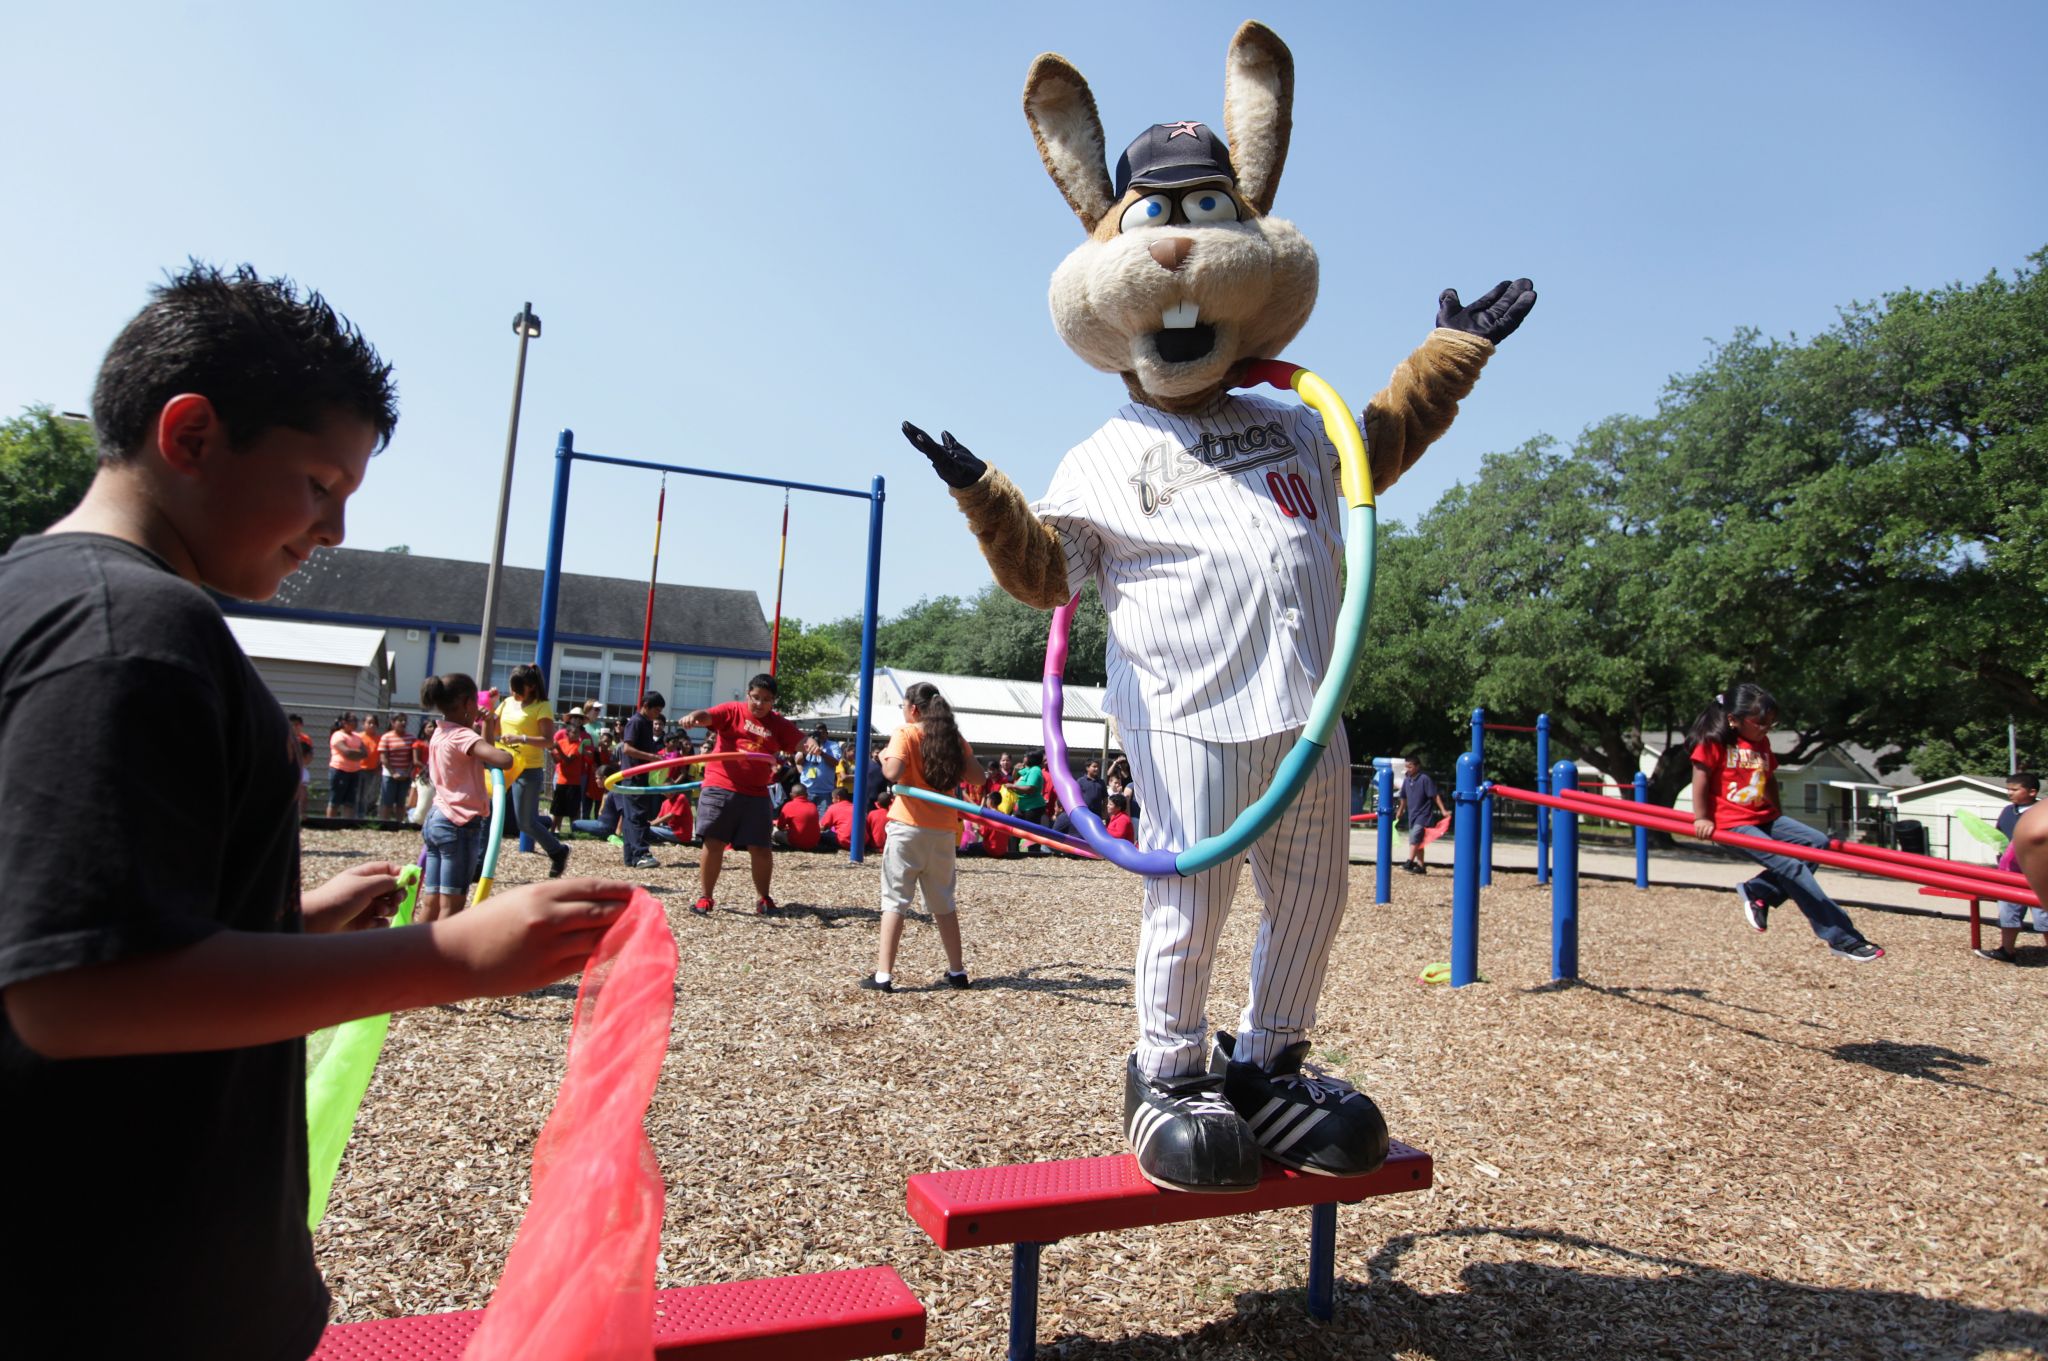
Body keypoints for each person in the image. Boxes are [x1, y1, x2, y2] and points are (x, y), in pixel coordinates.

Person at [0, 262, 635, 1359]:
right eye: (317, 482)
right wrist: (448, 954)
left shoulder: (33, 595)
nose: (335, 528)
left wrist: (280, 926)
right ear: (190, 435)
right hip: (117, 1291)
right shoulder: (137, 633)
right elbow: (72, 991)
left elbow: (60, 922)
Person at [1689, 684, 1882, 962]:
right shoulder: (1714, 742)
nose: (1766, 728)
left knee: (1817, 843)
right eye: (1760, 723)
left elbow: (1768, 779)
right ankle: (1842, 938)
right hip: (1732, 823)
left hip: (1763, 817)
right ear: (1734, 719)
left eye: (1771, 723)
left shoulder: (1761, 744)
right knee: (1791, 866)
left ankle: (1760, 891)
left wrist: (1777, 813)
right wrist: (1702, 817)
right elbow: (1701, 778)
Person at [862, 681, 980, 992]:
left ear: (913, 709)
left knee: (895, 900)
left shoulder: (906, 732)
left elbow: (892, 773)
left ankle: (883, 976)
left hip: (908, 827)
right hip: (942, 830)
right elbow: (978, 777)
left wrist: (886, 754)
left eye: (904, 707)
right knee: (943, 902)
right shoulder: (952, 737)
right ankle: (957, 972)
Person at [677, 674, 803, 914]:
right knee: (714, 841)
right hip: (720, 785)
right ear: (748, 694)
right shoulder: (732, 710)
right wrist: (695, 718)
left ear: (773, 701)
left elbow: (800, 741)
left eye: (766, 700)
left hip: (756, 793)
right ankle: (705, 897)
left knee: (761, 847)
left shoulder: (778, 724)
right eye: (756, 698)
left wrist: (811, 744)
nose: (759, 704)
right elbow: (708, 716)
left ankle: (763, 898)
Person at [417, 674, 516, 923]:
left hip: (437, 819)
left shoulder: (440, 733)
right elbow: (502, 759)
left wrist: (487, 724)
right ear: (467, 703)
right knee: (452, 906)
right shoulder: (463, 737)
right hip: (458, 824)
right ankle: (444, 958)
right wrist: (505, 752)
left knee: (432, 902)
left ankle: (411, 954)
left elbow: (481, 749)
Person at [495, 664, 572, 879]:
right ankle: (479, 862)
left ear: (530, 687)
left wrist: (522, 738)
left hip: (528, 769)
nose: (513, 693)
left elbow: (549, 741)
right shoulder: (507, 703)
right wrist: (487, 709)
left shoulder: (542, 707)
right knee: (487, 813)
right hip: (504, 765)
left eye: (517, 688)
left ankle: (557, 851)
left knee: (525, 822)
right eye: (512, 688)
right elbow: (493, 729)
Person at [1981, 771, 2044, 963]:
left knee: (2043, 914)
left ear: (2032, 792)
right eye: (2008, 789)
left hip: (2039, 872)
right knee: (2009, 911)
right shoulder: (2008, 811)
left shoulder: (2041, 813)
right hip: (2010, 872)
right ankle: (2007, 950)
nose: (2010, 793)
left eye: (2015, 789)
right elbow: (2000, 835)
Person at [614, 692, 668, 870]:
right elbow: (627, 749)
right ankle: (641, 853)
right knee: (636, 815)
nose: (657, 714)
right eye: (656, 710)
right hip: (633, 776)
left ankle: (631, 856)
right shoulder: (636, 722)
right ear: (645, 705)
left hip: (641, 775)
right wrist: (651, 757)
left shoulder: (645, 723)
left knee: (634, 816)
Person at [1394, 755, 1447, 874]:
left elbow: (1434, 795)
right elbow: (1403, 797)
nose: (1408, 769)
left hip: (1423, 814)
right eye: (1406, 766)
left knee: (1415, 836)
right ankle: (1421, 866)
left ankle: (1409, 862)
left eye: (1410, 766)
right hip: (1412, 814)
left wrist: (1443, 810)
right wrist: (1400, 810)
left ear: (1417, 767)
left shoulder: (1424, 779)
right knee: (1418, 841)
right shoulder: (1407, 780)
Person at [551, 707, 595, 830]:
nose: (577, 720)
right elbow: (554, 751)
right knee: (558, 805)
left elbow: (588, 755)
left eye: (580, 718)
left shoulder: (585, 737)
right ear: (569, 719)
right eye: (574, 717)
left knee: (574, 805)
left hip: (579, 774)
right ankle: (556, 830)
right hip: (560, 774)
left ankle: (574, 830)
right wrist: (554, 752)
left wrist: (587, 754)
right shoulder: (561, 734)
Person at [375, 712, 416, 822]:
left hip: (405, 774)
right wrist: (393, 773)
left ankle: (399, 824)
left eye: (405, 721)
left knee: (401, 802)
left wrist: (407, 772)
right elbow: (383, 758)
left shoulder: (411, 738)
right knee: (387, 801)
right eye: (400, 720)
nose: (403, 723)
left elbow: (413, 757)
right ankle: (384, 823)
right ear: (393, 723)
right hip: (389, 774)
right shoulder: (386, 737)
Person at [1009, 749, 1050, 853]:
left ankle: (1034, 854)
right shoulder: (1028, 769)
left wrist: (1013, 786)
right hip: (1022, 806)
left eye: (1025, 756)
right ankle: (1013, 852)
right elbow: (1016, 776)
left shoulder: (1035, 770)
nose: (1023, 758)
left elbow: (1030, 788)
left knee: (1032, 833)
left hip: (1033, 807)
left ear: (1031, 759)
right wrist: (1015, 769)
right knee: (1014, 830)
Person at [325, 713, 365, 818]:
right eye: (353, 720)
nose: (355, 723)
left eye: (356, 720)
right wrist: (357, 753)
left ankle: (346, 824)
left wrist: (354, 753)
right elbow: (346, 752)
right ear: (344, 722)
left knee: (350, 802)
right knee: (335, 800)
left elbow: (365, 753)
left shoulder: (357, 736)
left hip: (355, 772)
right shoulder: (338, 735)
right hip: (339, 770)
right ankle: (330, 823)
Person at [799, 724, 840, 808]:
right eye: (817, 733)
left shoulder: (833, 745)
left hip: (825, 791)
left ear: (827, 734)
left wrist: (821, 753)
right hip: (807, 790)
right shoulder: (807, 744)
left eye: (822, 733)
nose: (820, 735)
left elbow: (835, 762)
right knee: (807, 817)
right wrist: (806, 750)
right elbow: (798, 761)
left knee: (823, 819)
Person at [773, 785, 822, 850]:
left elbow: (780, 827)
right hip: (813, 842)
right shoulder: (813, 805)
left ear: (791, 795)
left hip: (796, 842)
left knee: (774, 831)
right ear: (807, 795)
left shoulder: (789, 805)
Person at [357, 714, 384, 818]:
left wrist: (379, 767)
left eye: (374, 723)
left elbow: (381, 755)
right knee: (357, 793)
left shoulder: (379, 739)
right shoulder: (359, 737)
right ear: (364, 724)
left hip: (372, 770)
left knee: (366, 794)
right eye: (369, 723)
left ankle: (362, 815)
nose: (372, 725)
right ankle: (354, 815)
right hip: (358, 769)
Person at [289, 713, 313, 816]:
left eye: (298, 724)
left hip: (301, 767)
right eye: (293, 724)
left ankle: (300, 814)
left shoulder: (305, 739)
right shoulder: (284, 736)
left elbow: (309, 756)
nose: (295, 727)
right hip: (288, 767)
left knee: (302, 791)